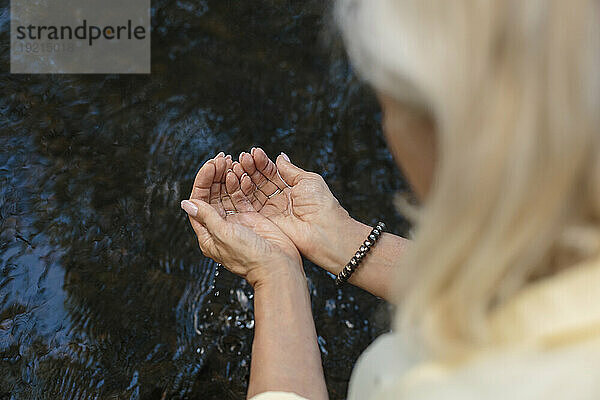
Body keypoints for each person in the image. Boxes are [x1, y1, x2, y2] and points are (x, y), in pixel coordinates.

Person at [180, 0, 600, 398]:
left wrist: (274, 274)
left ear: (445, 136)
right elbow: (530, 295)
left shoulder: (433, 383)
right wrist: (338, 237)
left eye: (390, 110)